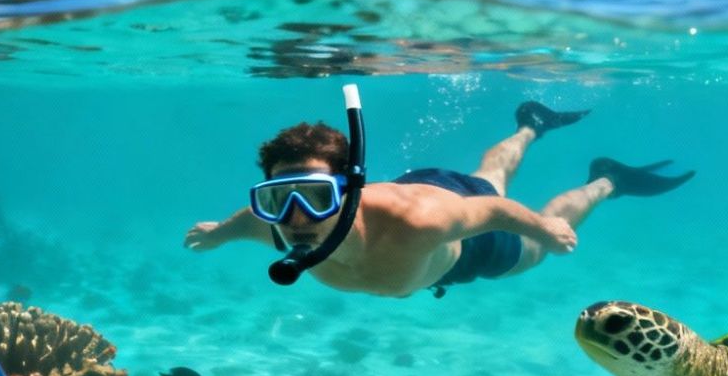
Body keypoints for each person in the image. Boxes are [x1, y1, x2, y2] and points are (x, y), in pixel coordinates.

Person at [184, 101, 693, 297]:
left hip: (459, 234)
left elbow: (492, 211)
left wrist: (543, 230)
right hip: (421, 196)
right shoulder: (275, 225)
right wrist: (217, 233)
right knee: (489, 172)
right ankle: (531, 124)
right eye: (279, 198)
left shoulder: (420, 224)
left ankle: (606, 182)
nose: (296, 217)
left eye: (317, 195)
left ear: (349, 191)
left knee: (499, 196)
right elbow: (245, 221)